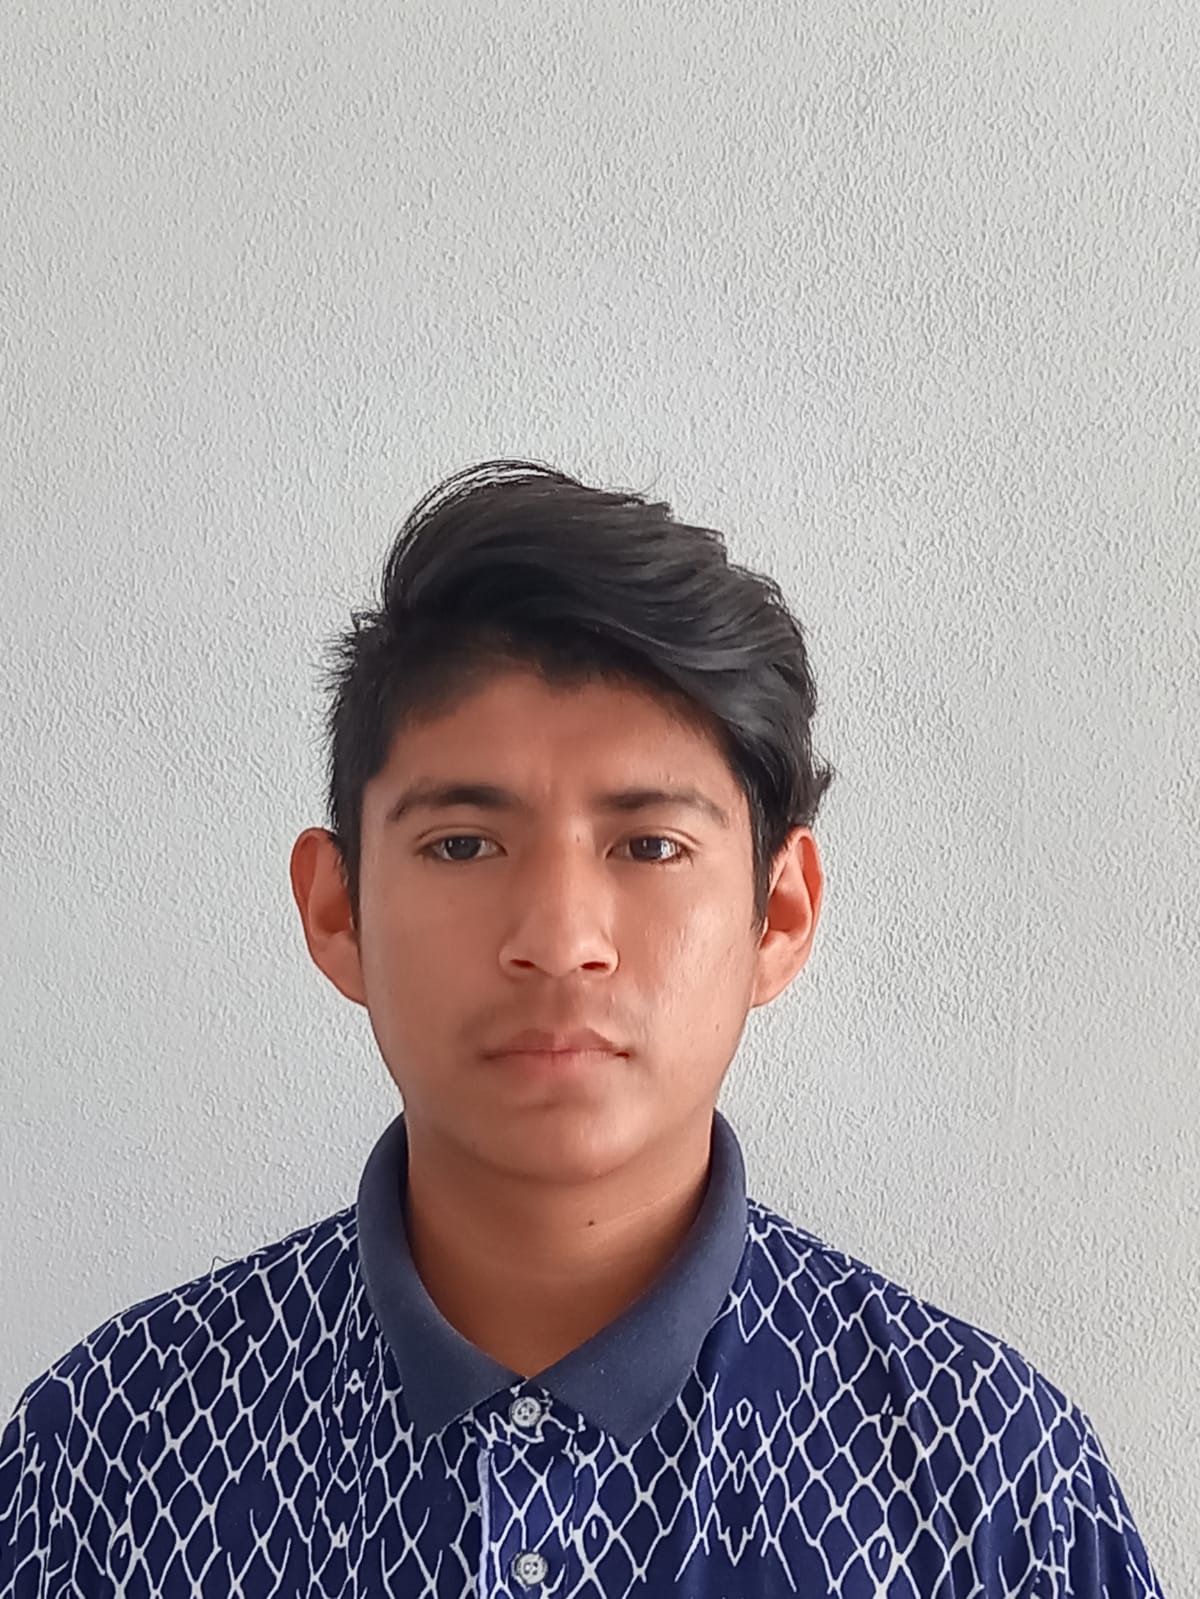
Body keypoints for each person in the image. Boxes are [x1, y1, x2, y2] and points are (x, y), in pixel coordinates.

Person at [0, 461, 1164, 1597]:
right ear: (338, 910)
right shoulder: (104, 1462)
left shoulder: (994, 1484)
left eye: (650, 846)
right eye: (463, 844)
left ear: (779, 914)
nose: (560, 940)